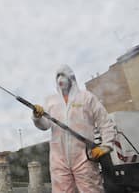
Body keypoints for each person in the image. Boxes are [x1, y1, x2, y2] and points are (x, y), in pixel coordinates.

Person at [32, 64, 116, 193]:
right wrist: (37, 117)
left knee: (91, 190)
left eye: (63, 75)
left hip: (84, 157)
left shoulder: (86, 98)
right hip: (59, 160)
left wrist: (106, 145)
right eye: (58, 76)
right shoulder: (51, 101)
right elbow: (45, 125)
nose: (60, 78)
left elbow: (104, 122)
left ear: (72, 78)